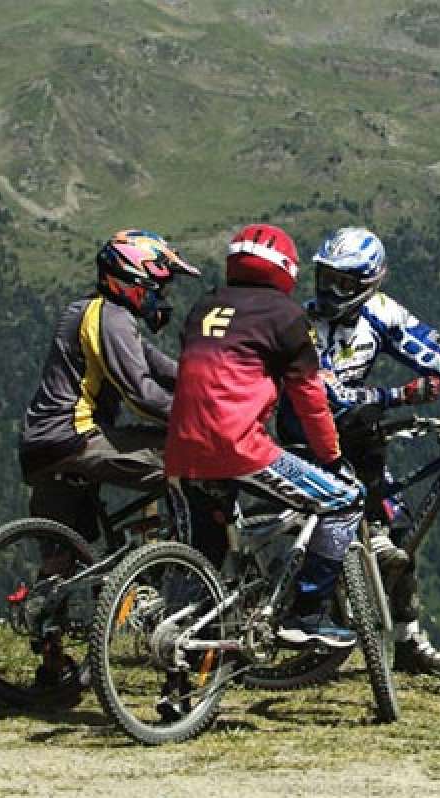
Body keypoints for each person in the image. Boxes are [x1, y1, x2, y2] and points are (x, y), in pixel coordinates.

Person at [280, 226, 440, 676]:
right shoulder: (302, 325)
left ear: (368, 283)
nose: (330, 291)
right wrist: (400, 396)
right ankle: (315, 622)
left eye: (343, 282)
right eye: (324, 278)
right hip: (308, 437)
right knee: (355, 525)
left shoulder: (380, 313)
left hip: (357, 435)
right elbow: (325, 397)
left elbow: (433, 349)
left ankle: (408, 640)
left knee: (399, 534)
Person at [164, 223, 364, 652]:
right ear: (287, 270)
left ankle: (184, 662)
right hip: (238, 447)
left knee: (206, 554)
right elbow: (310, 398)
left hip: (180, 449)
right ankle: (307, 616)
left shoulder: (204, 306)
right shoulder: (286, 317)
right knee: (345, 501)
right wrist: (330, 457)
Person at [19, 228, 199, 685]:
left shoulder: (90, 312)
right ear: (133, 277)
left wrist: (207, 381)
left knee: (63, 552)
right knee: (183, 462)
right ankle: (175, 571)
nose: (162, 296)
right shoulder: (112, 317)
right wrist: (201, 415)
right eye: (159, 285)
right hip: (78, 439)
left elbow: (160, 367)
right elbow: (141, 392)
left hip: (42, 447)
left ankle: (52, 658)